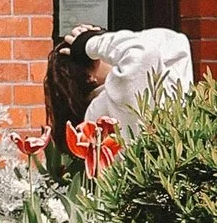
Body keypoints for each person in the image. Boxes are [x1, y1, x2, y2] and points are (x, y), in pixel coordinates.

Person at [42, 21, 194, 151]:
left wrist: (97, 40)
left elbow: (177, 43)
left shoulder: (130, 85)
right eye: (94, 55)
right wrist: (91, 44)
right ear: (89, 77)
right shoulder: (106, 102)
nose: (107, 54)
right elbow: (143, 53)